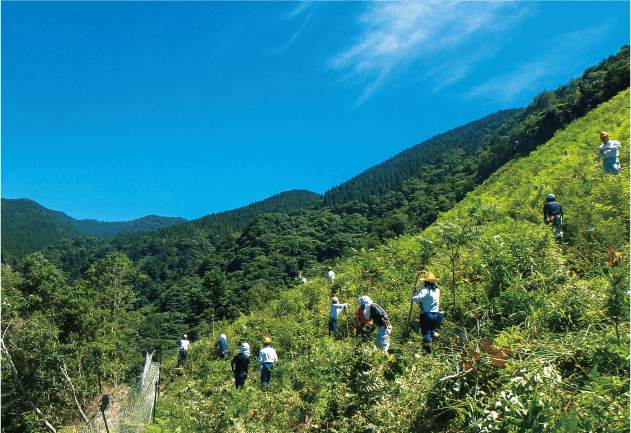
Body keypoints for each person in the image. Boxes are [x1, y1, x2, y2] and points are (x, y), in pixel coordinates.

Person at [410, 271, 444, 354]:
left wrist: (412, 297)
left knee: (426, 333)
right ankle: (441, 339)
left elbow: (419, 298)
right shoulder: (437, 291)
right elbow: (426, 297)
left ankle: (428, 353)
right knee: (431, 330)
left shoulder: (425, 290)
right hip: (436, 315)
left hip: (427, 315)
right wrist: (417, 291)